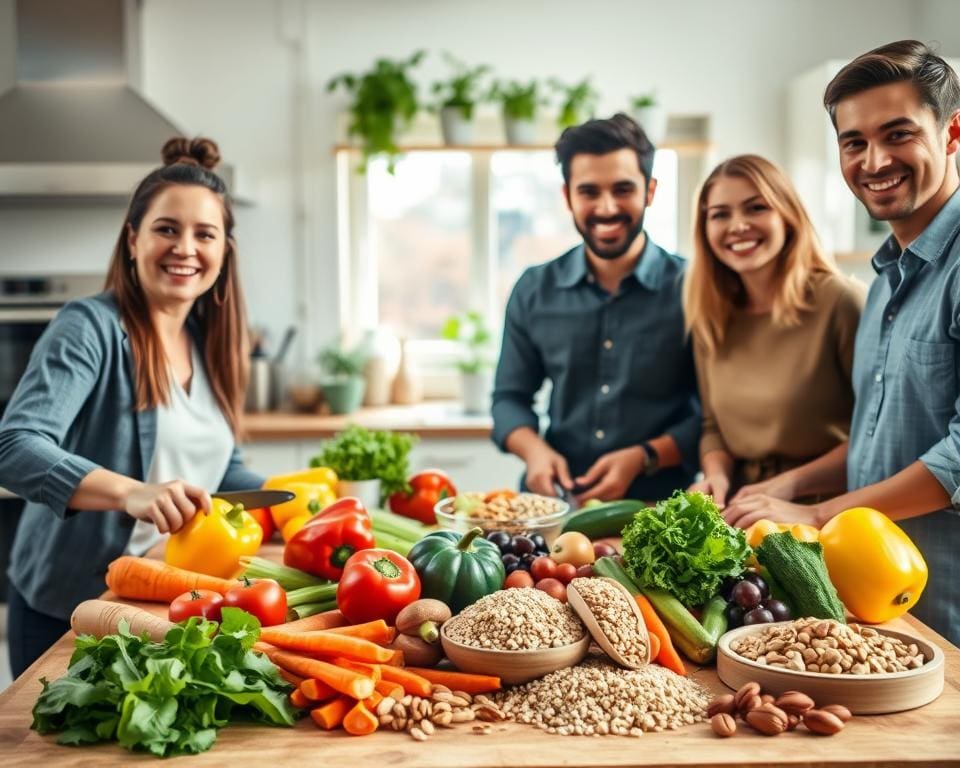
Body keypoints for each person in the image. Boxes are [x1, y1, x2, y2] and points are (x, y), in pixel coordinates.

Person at [723, 41, 960, 644]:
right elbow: (881, 435)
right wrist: (791, 486)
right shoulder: (885, 280)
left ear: (952, 132)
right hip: (880, 609)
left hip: (950, 607)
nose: (874, 160)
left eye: (898, 134)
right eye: (854, 142)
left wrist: (817, 512)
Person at [0, 137, 264, 675]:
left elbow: (216, 466)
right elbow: (14, 447)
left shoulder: (211, 343)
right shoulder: (89, 326)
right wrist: (131, 493)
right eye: (167, 229)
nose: (185, 248)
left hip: (164, 602)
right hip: (73, 607)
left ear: (224, 251)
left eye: (204, 234)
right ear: (132, 239)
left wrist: (293, 503)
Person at [491, 114, 700, 505]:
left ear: (649, 191)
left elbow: (717, 414)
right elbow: (508, 398)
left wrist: (644, 457)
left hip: (664, 509)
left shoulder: (696, 288)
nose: (606, 208)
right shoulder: (534, 289)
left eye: (623, 189)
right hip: (555, 505)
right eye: (589, 192)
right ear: (568, 195)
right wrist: (535, 452)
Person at [685, 155, 863, 507]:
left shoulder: (841, 302)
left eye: (755, 208)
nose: (737, 225)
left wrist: (787, 485)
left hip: (831, 510)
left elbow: (880, 436)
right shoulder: (711, 315)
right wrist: (716, 476)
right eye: (720, 214)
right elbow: (712, 428)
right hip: (743, 506)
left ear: (788, 216)